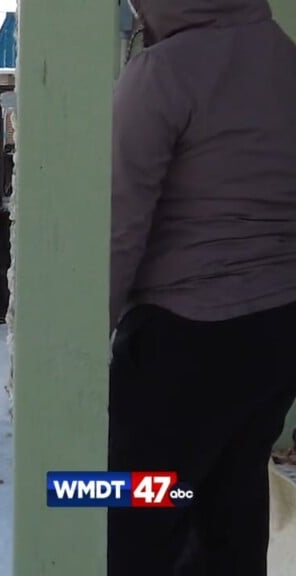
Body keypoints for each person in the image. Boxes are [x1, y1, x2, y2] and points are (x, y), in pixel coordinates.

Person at [109, 0, 296, 574]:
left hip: (183, 341)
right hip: (279, 331)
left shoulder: (162, 73)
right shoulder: (285, 58)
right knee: (231, 504)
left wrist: (78, 353)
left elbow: (117, 227)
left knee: (127, 513)